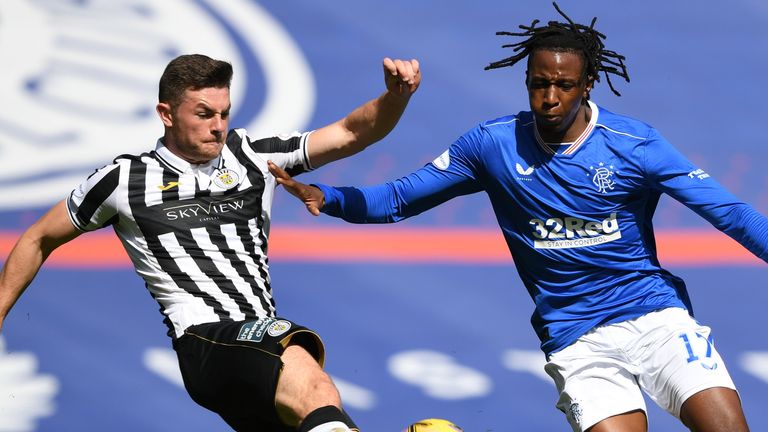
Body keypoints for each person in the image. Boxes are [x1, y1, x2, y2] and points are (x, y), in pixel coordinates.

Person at [269, 3, 768, 432]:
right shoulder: (492, 145)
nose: (550, 98)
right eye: (539, 84)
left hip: (654, 317)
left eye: (565, 86)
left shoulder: (634, 145)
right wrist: (327, 196)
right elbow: (399, 199)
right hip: (576, 338)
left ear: (589, 84)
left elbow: (731, 214)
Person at [0, 53, 421, 432]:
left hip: (254, 350)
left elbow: (350, 133)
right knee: (313, 383)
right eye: (203, 114)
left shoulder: (252, 154)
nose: (218, 126)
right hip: (206, 343)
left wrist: (395, 98)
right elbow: (39, 237)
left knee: (323, 419)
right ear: (166, 114)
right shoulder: (123, 180)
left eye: (224, 113)